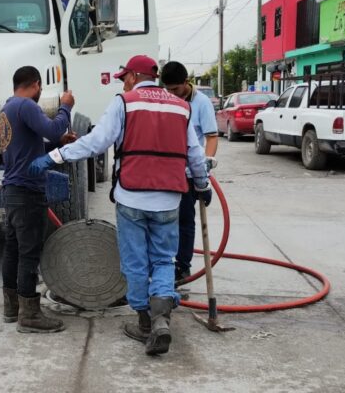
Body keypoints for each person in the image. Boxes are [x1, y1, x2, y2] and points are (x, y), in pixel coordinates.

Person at [28, 55, 210, 355]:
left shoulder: (124, 103)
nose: (123, 81)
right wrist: (202, 185)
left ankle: (144, 323)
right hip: (168, 198)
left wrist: (54, 157)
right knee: (164, 260)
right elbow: (195, 153)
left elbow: (95, 142)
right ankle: (162, 317)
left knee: (135, 262)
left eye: (125, 76)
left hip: (132, 197)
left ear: (136, 76)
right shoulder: (182, 107)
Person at [0, 65, 76, 333]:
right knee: (29, 253)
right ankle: (30, 316)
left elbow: (30, 148)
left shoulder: (8, 108)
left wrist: (58, 144)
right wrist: (65, 107)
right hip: (27, 191)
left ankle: (12, 308)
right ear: (35, 84)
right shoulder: (27, 105)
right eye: (40, 88)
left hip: (12, 191)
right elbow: (54, 128)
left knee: (12, 250)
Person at [159, 62, 219, 283]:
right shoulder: (165, 100)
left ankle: (182, 266)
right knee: (163, 219)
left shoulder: (201, 103)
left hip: (188, 173)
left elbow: (211, 136)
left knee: (185, 220)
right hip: (164, 171)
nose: (172, 94)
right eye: (168, 89)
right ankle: (162, 263)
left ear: (186, 83)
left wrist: (206, 166)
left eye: (175, 89)